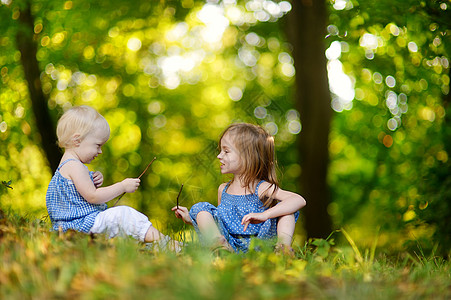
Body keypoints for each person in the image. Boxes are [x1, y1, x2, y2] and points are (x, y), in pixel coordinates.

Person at [46, 105, 180, 252]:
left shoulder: (67, 166)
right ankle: (168, 244)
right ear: (77, 140)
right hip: (81, 226)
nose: (100, 151)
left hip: (73, 227)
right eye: (97, 145)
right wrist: (122, 186)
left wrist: (93, 179)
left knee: (121, 225)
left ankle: (152, 245)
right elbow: (93, 196)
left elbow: (77, 197)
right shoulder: (74, 166)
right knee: (124, 215)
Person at [173, 123, 306, 253]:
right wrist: (191, 219)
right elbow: (221, 223)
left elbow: (298, 200)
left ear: (248, 156)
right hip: (230, 245)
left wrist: (265, 215)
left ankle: (282, 249)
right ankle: (220, 248)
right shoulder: (223, 189)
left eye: (226, 151)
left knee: (287, 209)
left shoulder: (261, 187)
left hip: (260, 244)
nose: (219, 156)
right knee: (199, 208)